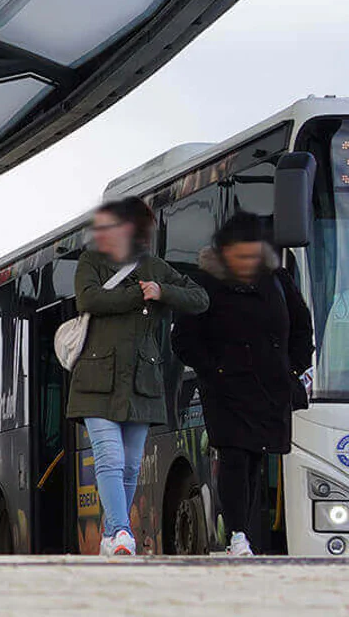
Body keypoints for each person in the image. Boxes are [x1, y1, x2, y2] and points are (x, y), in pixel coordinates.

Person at [69, 197, 209, 556]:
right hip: (96, 379)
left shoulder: (156, 267)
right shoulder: (92, 262)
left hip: (142, 382)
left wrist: (163, 291)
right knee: (110, 457)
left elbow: (200, 299)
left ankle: (109, 534)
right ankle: (120, 532)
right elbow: (88, 299)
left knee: (131, 464)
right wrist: (138, 294)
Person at [172, 212, 314, 556]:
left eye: (253, 255)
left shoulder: (277, 280)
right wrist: (214, 370)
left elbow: (301, 325)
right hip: (226, 390)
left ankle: (246, 534)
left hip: (269, 388)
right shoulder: (204, 284)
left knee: (255, 461)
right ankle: (237, 535)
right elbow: (185, 340)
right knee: (235, 458)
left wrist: (292, 368)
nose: (249, 262)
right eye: (241, 256)